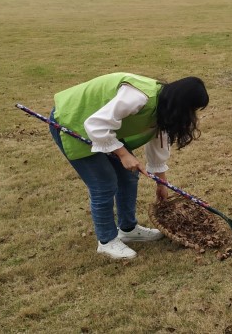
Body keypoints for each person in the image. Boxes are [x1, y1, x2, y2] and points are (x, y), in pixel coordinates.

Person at [48, 73, 209, 259]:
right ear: (180, 103)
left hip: (103, 128)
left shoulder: (163, 107)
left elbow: (159, 142)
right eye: (191, 109)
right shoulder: (138, 97)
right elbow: (96, 124)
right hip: (73, 121)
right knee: (104, 183)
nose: (192, 115)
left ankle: (128, 228)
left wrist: (161, 183)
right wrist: (123, 154)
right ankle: (107, 241)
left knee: (128, 176)